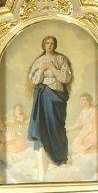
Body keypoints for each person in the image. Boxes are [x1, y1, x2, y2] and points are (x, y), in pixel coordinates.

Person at [27, 35, 73, 167]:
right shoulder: (39, 61)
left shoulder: (60, 59)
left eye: (52, 43)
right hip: (43, 96)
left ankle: (60, 157)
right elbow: (35, 80)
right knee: (43, 126)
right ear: (43, 45)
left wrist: (52, 68)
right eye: (47, 43)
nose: (50, 45)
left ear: (55, 45)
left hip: (57, 97)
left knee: (57, 126)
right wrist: (42, 69)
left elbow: (65, 78)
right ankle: (44, 157)